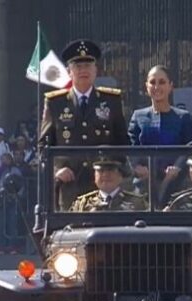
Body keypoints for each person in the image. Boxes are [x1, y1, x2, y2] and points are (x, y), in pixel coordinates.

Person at [40, 39, 129, 209]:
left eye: (88, 66)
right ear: (69, 71)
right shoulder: (55, 103)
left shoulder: (111, 101)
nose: (83, 71)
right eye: (78, 66)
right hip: (70, 185)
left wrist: (114, 171)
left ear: (96, 70)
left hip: (104, 185)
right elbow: (43, 146)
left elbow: (122, 142)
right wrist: (57, 169)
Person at [129, 65, 192, 201]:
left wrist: (177, 167)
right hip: (144, 185)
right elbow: (131, 147)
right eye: (152, 82)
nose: (157, 87)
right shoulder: (138, 116)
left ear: (171, 86)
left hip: (177, 185)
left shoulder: (183, 117)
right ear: (146, 86)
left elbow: (189, 148)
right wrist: (136, 167)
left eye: (162, 82)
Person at [70, 156, 147, 212]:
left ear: (120, 175)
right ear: (95, 176)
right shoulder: (82, 204)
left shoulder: (138, 203)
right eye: (101, 171)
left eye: (111, 170)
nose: (105, 175)